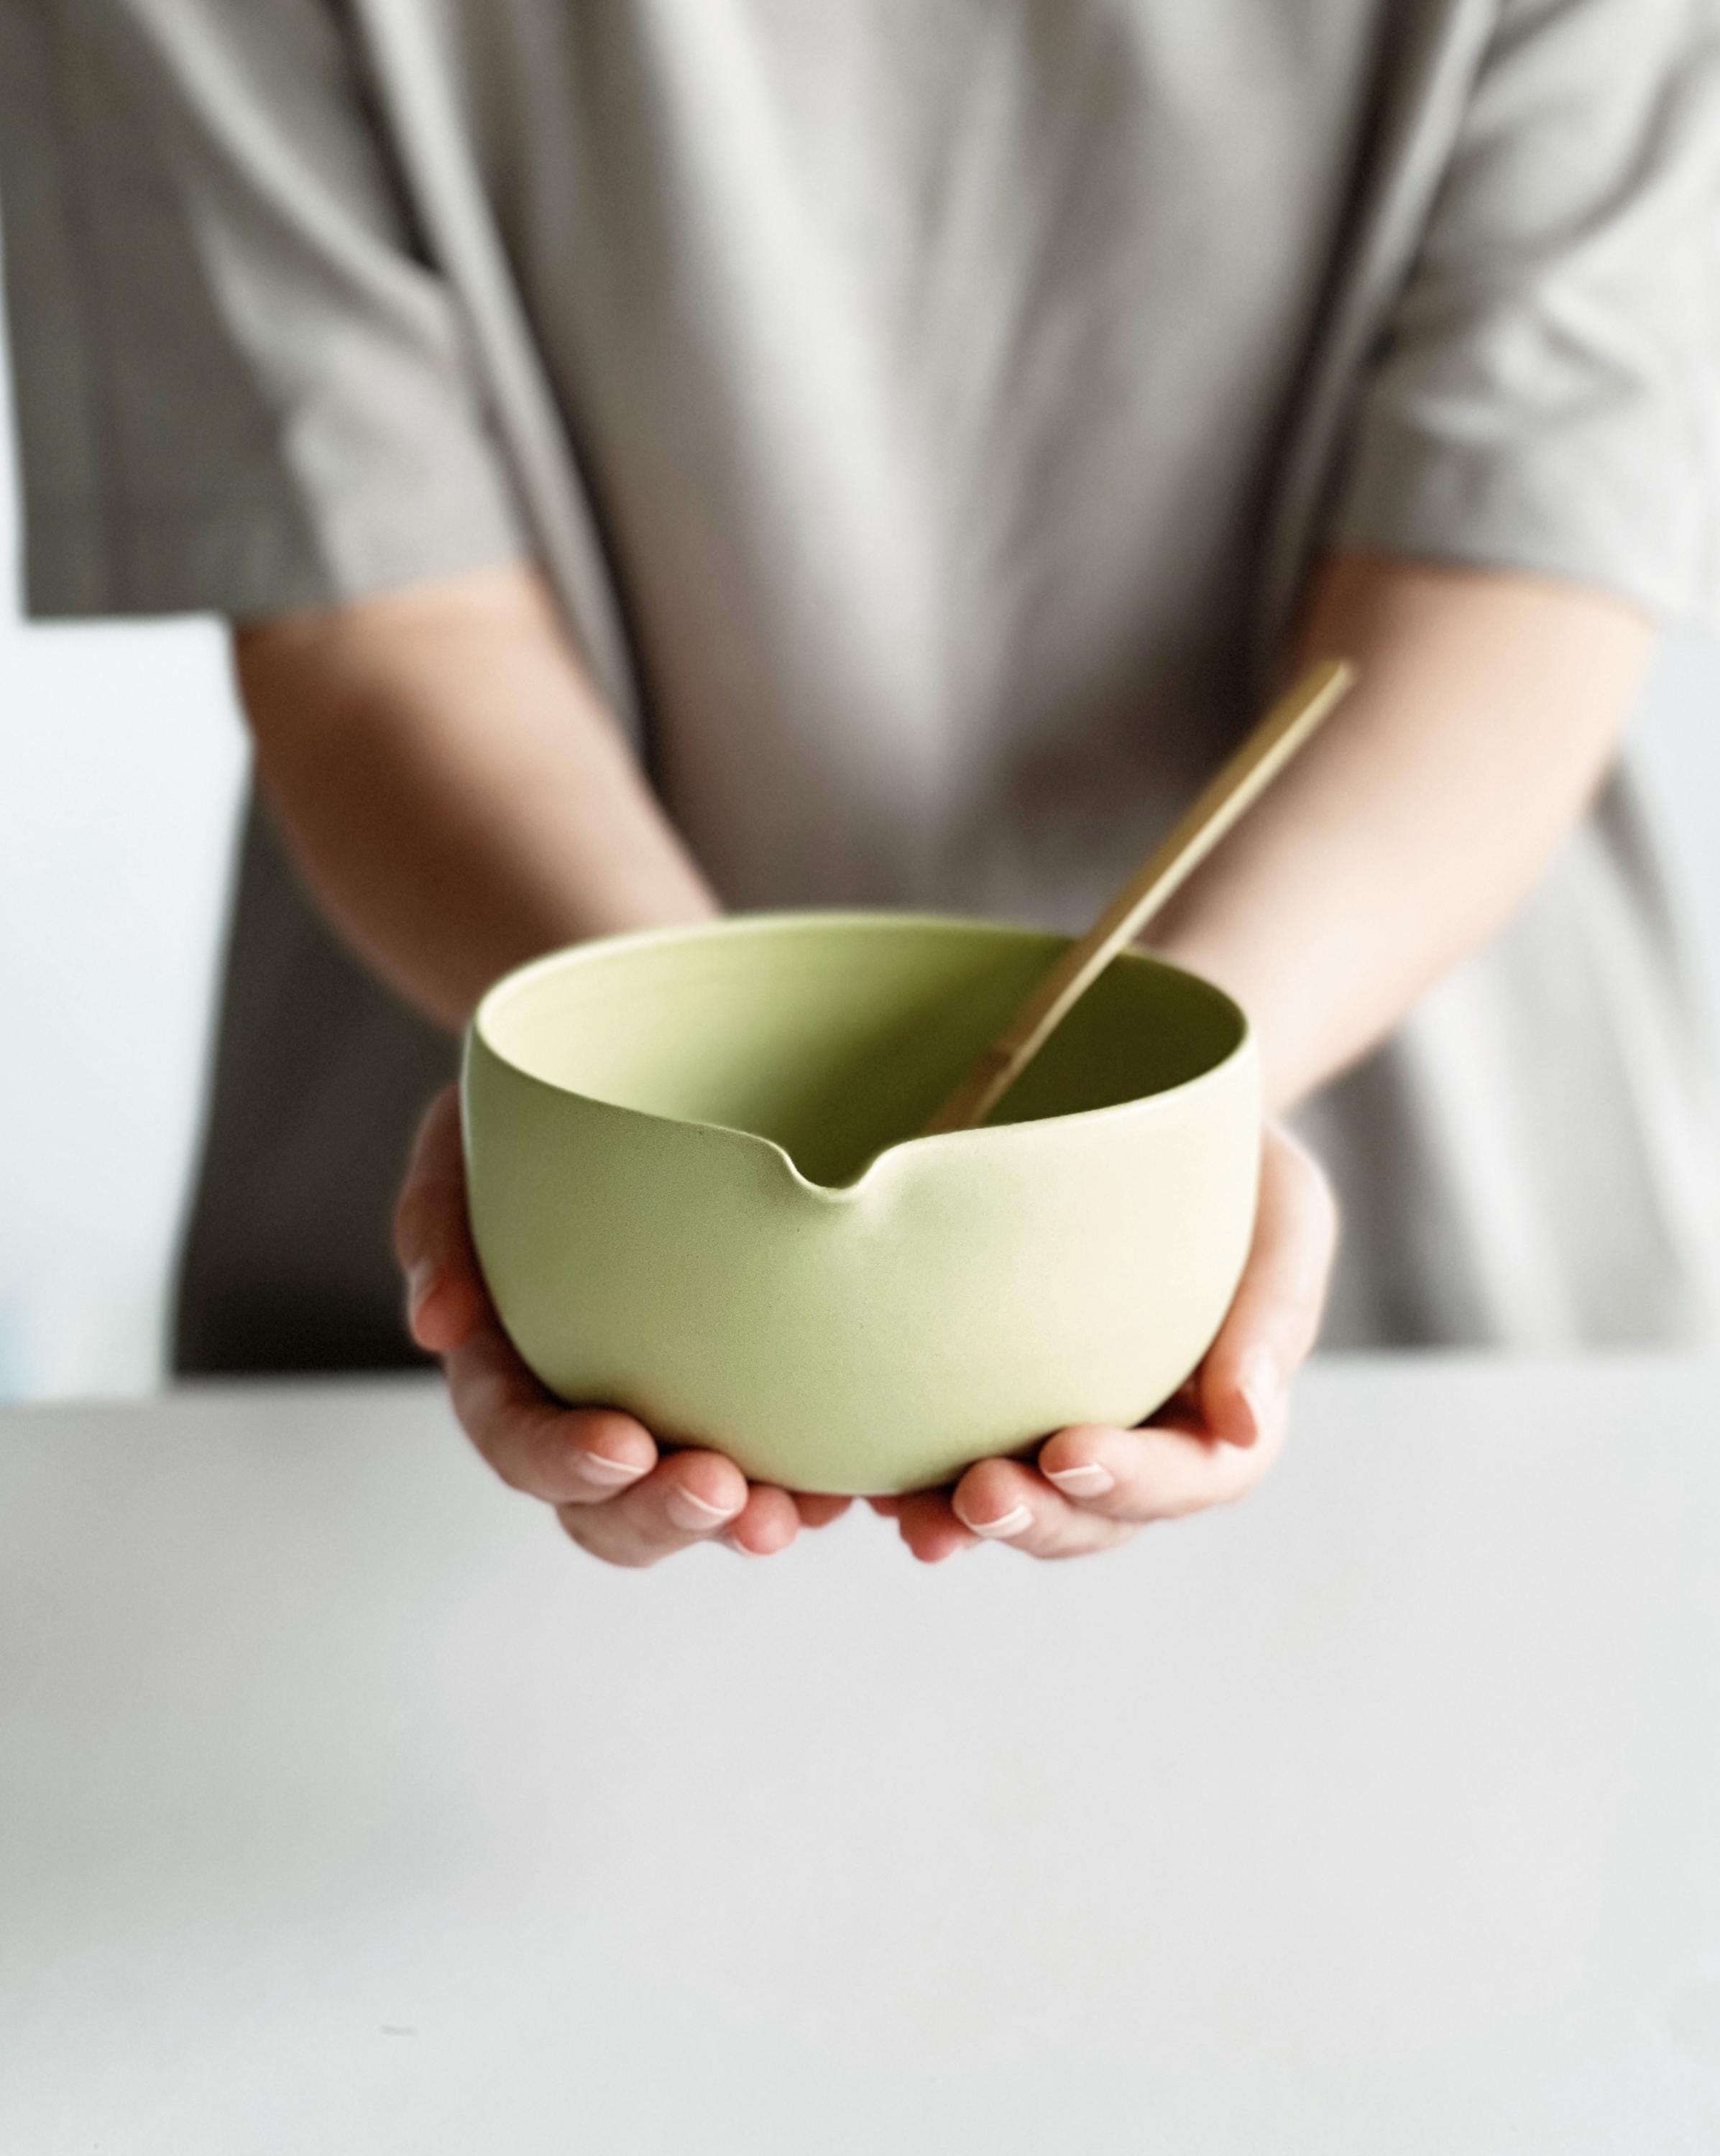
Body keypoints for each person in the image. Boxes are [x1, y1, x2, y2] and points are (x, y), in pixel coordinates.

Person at [3, 0, 1717, 1567]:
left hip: (1440, 1334)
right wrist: (627, 1166)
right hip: (475, 1374)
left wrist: (1171, 1133)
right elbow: (380, 622)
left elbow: (1508, 575)